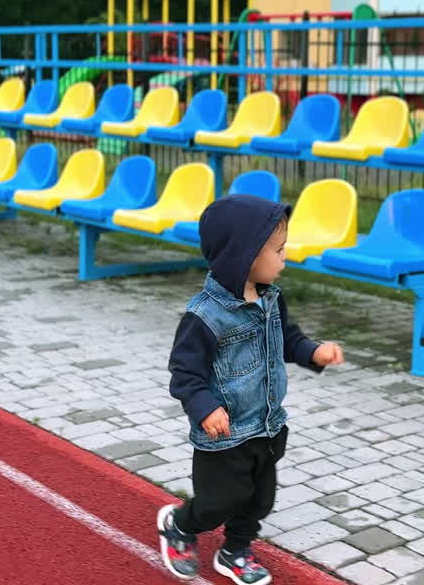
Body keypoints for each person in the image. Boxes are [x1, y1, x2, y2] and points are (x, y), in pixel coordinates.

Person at [157, 193, 344, 583]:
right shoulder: (205, 316)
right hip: (224, 434)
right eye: (277, 250)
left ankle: (235, 550)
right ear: (242, 256)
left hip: (268, 425)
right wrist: (206, 408)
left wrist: (315, 352)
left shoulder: (271, 300)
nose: (284, 257)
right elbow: (184, 372)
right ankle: (180, 523)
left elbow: (288, 339)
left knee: (259, 499)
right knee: (218, 502)